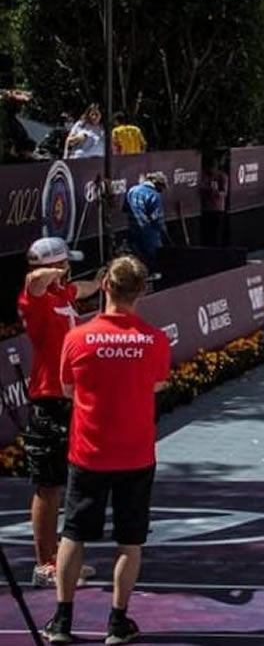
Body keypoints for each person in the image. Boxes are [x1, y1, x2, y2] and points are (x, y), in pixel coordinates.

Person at [42, 256, 171, 645]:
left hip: (88, 454)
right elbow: (158, 385)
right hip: (135, 454)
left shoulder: (77, 338)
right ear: (142, 291)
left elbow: (67, 390)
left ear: (105, 287)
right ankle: (117, 623)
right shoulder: (154, 339)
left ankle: (62, 620)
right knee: (129, 543)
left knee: (73, 535)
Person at [16, 238, 102, 589]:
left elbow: (82, 288)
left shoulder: (61, 295)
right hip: (49, 399)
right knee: (48, 486)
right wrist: (50, 269)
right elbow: (32, 283)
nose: (68, 272)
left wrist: (101, 280)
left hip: (71, 398)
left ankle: (59, 558)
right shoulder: (34, 298)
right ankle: (44, 564)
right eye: (65, 264)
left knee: (65, 482)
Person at [124, 172, 168, 270]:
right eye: (162, 187)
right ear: (158, 184)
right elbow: (157, 218)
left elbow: (125, 209)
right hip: (149, 231)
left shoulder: (132, 190)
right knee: (154, 255)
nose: (162, 191)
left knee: (136, 256)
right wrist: (163, 230)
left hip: (133, 229)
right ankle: (152, 274)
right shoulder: (154, 195)